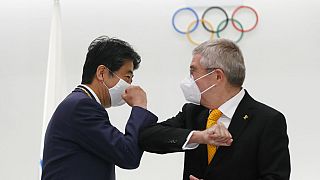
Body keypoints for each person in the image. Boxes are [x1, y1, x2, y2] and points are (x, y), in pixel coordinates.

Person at [139, 39, 290, 180]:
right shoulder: (193, 111)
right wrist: (198, 137)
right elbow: (146, 137)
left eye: (193, 72)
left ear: (217, 76)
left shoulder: (268, 120)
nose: (189, 80)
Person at [41, 36, 158, 180]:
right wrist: (140, 107)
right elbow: (128, 154)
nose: (130, 85)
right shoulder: (82, 107)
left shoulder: (78, 102)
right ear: (102, 73)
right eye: (127, 77)